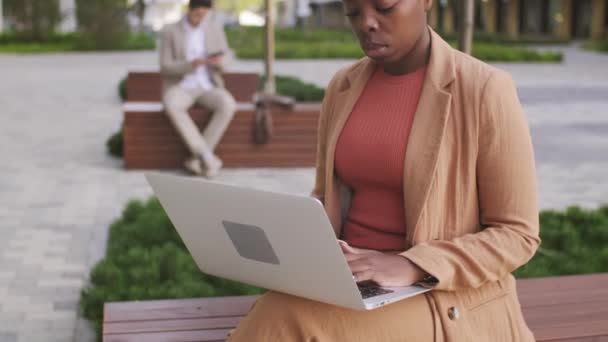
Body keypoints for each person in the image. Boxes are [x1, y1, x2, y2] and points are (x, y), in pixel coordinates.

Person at [227, 0, 540, 341]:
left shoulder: (484, 89)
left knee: (285, 321)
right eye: (353, 12)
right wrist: (296, 240)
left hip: (437, 295)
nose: (367, 23)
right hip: (349, 282)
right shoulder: (343, 87)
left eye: (384, 7)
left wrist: (414, 264)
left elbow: (517, 234)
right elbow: (327, 196)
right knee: (277, 312)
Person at [160, 0, 236, 177]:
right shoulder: (171, 31)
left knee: (228, 104)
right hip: (181, 86)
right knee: (172, 105)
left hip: (208, 85)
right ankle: (207, 157)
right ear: (189, 10)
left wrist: (219, 62)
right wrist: (190, 65)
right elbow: (165, 66)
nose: (201, 18)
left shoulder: (214, 28)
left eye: (205, 15)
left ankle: (198, 158)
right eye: (197, 14)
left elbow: (227, 57)